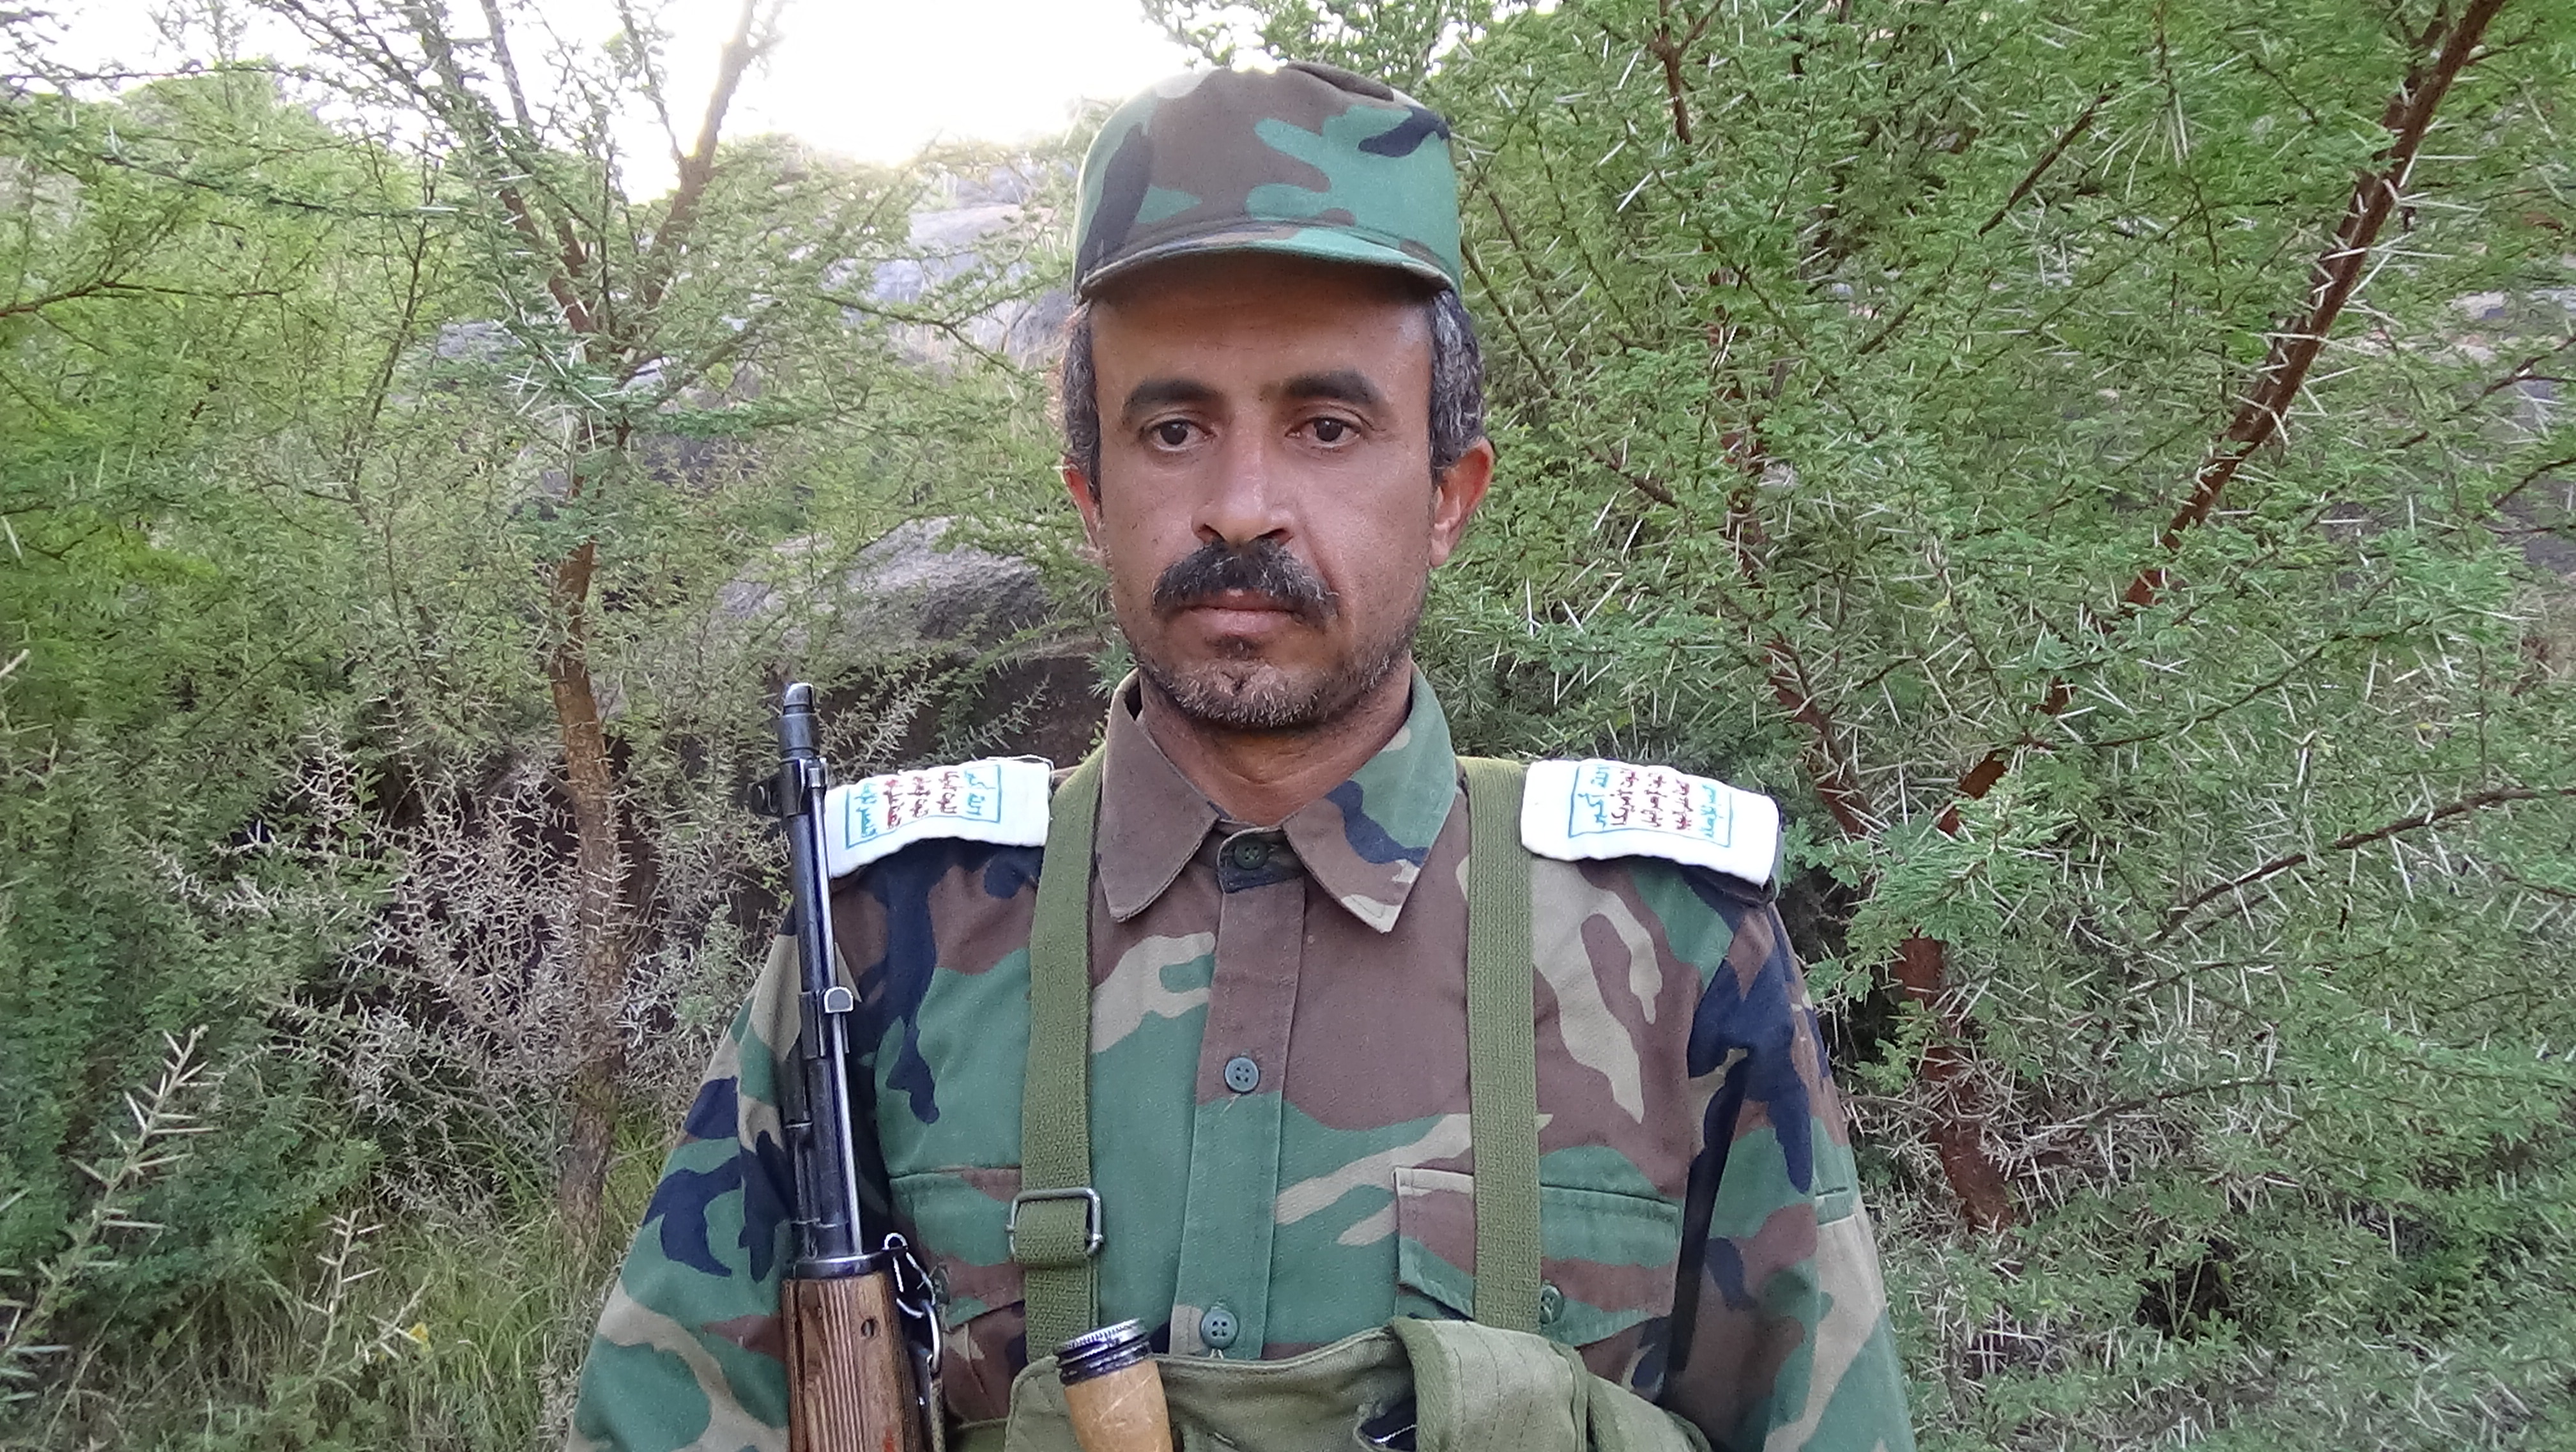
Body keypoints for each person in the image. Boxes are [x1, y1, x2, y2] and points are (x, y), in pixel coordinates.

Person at [571, 61, 1913, 1452]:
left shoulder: (1673, 944)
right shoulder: (888, 934)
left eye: (1327, 427)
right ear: (1092, 496)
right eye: (1174, 429)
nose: (1242, 507)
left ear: (1450, 496)